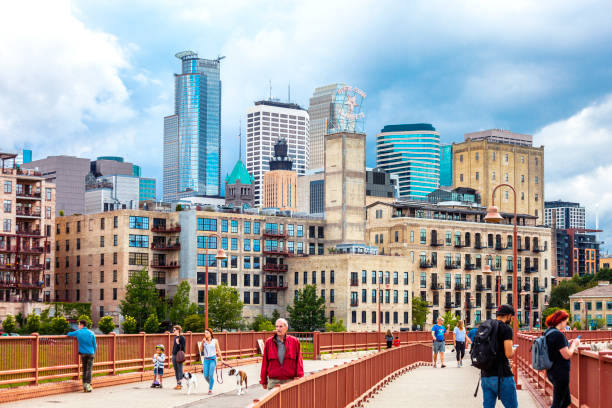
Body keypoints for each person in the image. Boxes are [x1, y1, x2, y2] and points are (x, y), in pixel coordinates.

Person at [481, 305, 518, 408]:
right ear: (508, 316)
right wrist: (513, 350)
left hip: (485, 376)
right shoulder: (506, 328)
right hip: (502, 376)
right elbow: (509, 354)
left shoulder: (486, 326)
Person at [545, 310, 580, 408]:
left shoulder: (548, 332)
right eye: (566, 321)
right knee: (557, 403)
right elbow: (567, 355)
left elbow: (555, 347)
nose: (566, 324)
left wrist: (567, 342)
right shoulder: (558, 335)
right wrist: (574, 344)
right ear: (561, 321)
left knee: (566, 401)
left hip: (551, 371)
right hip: (560, 373)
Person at [260, 318, 304, 389]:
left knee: (289, 400)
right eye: (276, 326)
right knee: (273, 400)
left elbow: (299, 361)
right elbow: (265, 362)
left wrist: (299, 377)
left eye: (280, 326)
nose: (278, 329)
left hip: (290, 380)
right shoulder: (269, 342)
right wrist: (263, 380)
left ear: (286, 328)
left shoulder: (294, 341)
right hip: (273, 381)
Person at [67, 319, 97, 392]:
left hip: (83, 353)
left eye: (79, 324)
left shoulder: (78, 332)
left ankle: (84, 385)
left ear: (82, 325)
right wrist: (94, 352)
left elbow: (69, 334)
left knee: (84, 369)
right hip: (91, 353)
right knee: (89, 369)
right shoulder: (91, 333)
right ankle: (88, 385)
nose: (78, 326)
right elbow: (95, 345)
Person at [201, 328, 224, 395]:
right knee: (205, 376)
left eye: (207, 333)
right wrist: (202, 342)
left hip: (213, 360)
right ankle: (211, 383)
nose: (205, 334)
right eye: (205, 333)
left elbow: (218, 350)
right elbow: (200, 350)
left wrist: (221, 359)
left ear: (210, 333)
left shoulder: (215, 341)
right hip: (206, 360)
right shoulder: (204, 341)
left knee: (211, 375)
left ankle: (210, 389)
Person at [172, 325, 186, 390]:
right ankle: (177, 383)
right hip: (174, 354)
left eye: (174, 330)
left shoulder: (182, 337)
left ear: (178, 330)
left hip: (179, 355)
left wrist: (178, 343)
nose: (173, 331)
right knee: (176, 369)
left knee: (180, 369)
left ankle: (180, 383)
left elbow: (183, 348)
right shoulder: (175, 337)